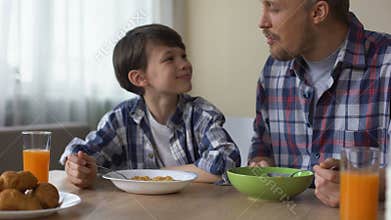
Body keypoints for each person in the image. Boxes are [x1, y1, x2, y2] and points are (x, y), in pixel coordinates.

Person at [60, 24, 241, 188]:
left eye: (183, 56)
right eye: (170, 59)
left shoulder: (201, 115)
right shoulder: (120, 119)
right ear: (139, 78)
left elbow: (226, 160)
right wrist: (78, 167)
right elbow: (85, 154)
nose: (185, 64)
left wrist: (159, 175)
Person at [248, 0, 391, 207]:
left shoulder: (386, 63)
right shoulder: (272, 70)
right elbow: (262, 146)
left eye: (274, 8)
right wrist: (261, 164)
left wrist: (368, 184)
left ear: (318, 12)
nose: (262, 22)